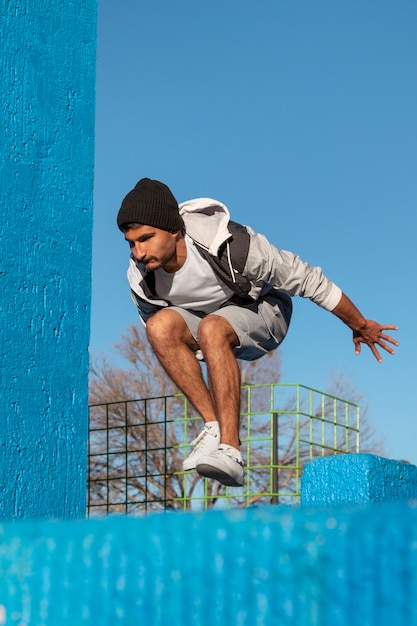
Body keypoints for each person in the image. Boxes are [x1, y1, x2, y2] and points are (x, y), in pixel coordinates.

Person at [117, 177, 398, 488]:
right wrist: (203, 355)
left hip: (265, 312)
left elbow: (307, 278)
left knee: (214, 328)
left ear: (174, 229)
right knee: (159, 326)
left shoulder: (232, 246)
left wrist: (358, 323)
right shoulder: (140, 279)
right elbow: (165, 338)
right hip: (210, 328)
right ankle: (213, 427)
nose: (139, 252)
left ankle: (231, 451)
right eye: (131, 243)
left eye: (145, 239)